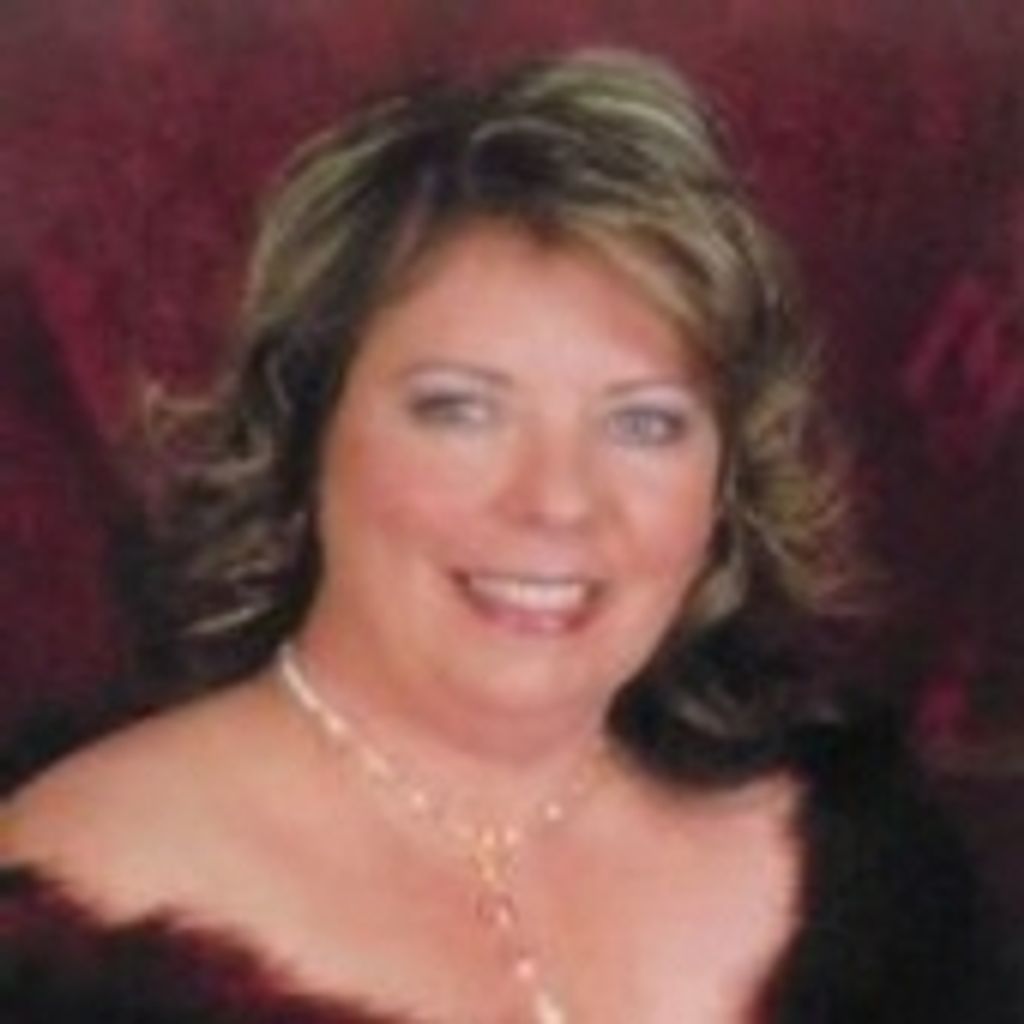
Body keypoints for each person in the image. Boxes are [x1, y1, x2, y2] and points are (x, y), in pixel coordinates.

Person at [0, 49, 1009, 1024]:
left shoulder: (861, 873)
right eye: (462, 409)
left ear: (726, 483)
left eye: (644, 422)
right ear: (303, 432)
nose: (559, 501)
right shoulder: (73, 921)